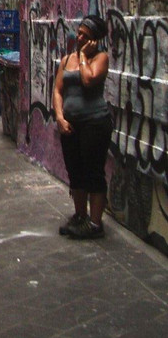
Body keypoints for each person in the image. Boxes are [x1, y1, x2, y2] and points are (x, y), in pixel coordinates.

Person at [52, 14, 111, 239]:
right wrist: (60, 117)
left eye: (85, 36)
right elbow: (58, 90)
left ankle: (95, 224)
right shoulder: (67, 60)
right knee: (75, 171)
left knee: (93, 172)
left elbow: (88, 80)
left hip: (95, 124)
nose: (79, 38)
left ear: (94, 40)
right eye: (79, 33)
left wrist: (85, 56)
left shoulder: (101, 58)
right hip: (70, 124)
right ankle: (80, 216)